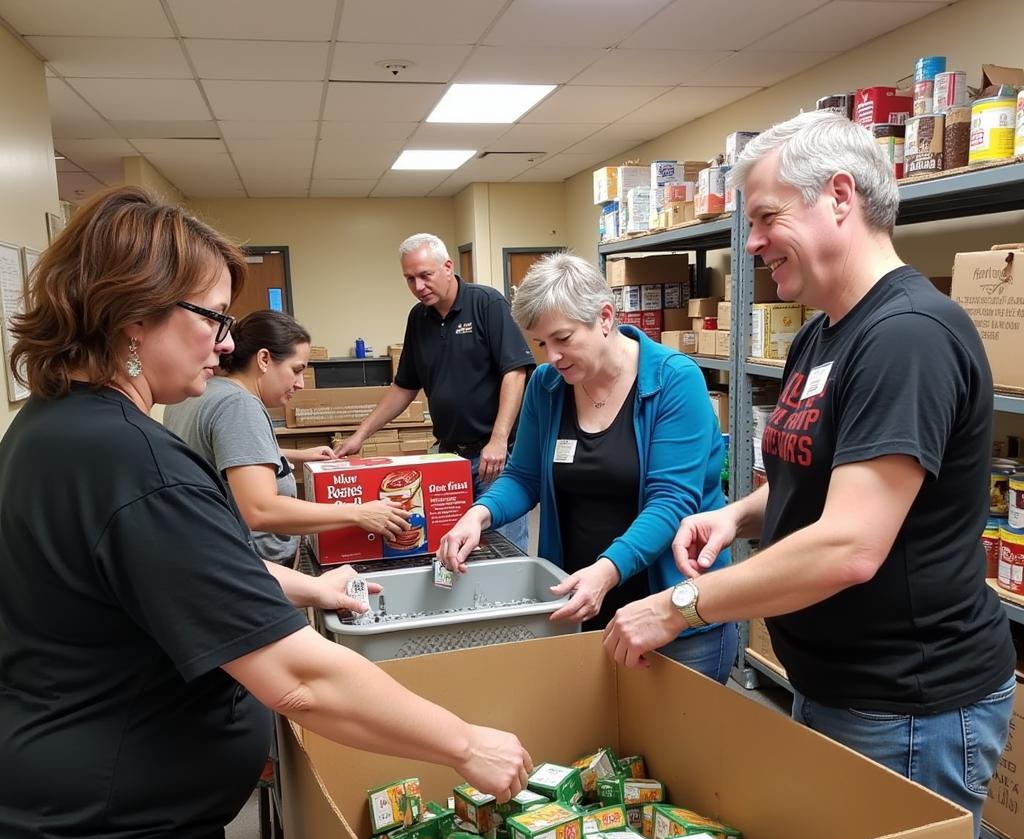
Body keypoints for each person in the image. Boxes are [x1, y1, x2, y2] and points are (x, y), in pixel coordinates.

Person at [0, 186, 532, 839]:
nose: (224, 342)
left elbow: (181, 571)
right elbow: (298, 680)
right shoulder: (131, 460)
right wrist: (465, 743)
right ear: (134, 314)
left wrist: (310, 585)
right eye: (212, 317)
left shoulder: (53, 428)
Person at [602, 111, 1020, 839]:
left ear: (839, 199)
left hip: (914, 697)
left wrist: (682, 605)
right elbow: (805, 479)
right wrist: (735, 511)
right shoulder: (822, 334)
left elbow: (850, 544)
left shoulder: (906, 335)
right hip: (841, 682)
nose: (751, 245)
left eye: (763, 217)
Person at [438, 252, 738, 682]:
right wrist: (478, 514)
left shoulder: (674, 381)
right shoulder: (547, 387)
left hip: (672, 613)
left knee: (680, 745)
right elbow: (524, 477)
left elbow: (672, 502)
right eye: (542, 344)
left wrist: (606, 570)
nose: (553, 356)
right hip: (584, 604)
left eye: (563, 338)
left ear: (604, 317)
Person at [335, 233, 535, 552]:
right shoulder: (419, 318)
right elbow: (404, 386)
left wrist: (498, 440)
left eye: (425, 276)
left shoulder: (487, 303)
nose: (418, 286)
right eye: (410, 279)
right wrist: (361, 435)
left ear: (447, 267)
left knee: (502, 548)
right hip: (449, 458)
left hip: (494, 458)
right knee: (454, 547)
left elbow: (515, 371)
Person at [165, 309, 410, 566]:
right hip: (253, 567)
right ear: (263, 359)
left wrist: (295, 455)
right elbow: (260, 510)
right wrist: (359, 513)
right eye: (296, 370)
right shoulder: (239, 405)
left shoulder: (199, 393)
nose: (300, 383)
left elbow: (217, 456)